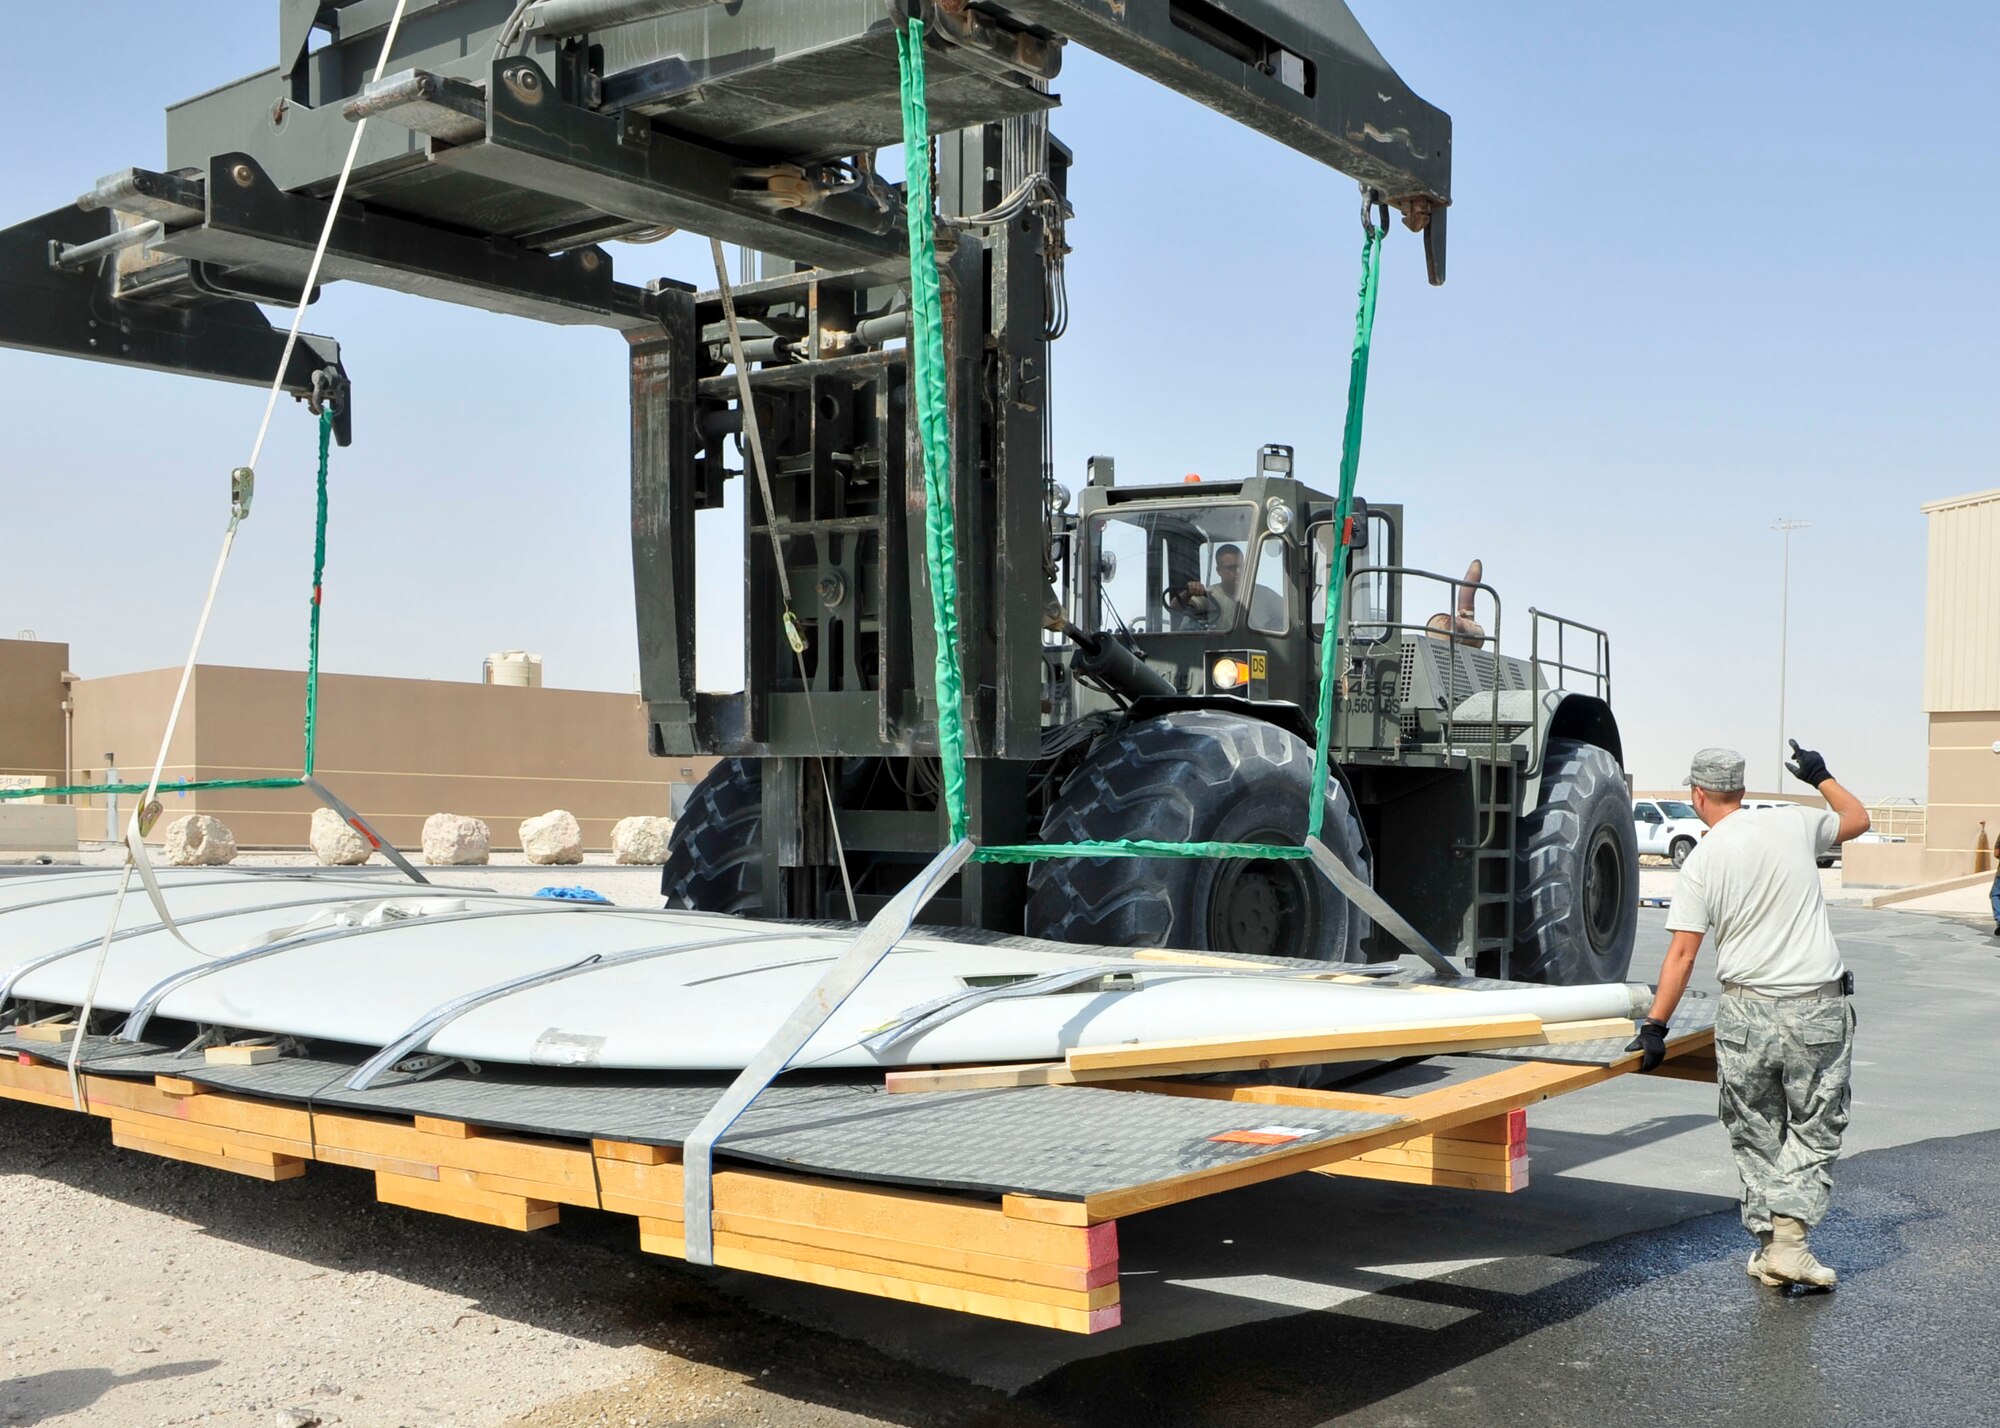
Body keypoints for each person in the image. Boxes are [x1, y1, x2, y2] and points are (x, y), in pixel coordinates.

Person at [1626, 741, 1871, 1290]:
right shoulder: (1791, 822)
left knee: (1755, 1130)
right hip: (1815, 1009)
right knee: (1815, 1126)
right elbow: (1857, 818)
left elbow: (1682, 954)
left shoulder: (1702, 859)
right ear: (1740, 788)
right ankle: (1785, 1246)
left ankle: (1773, 1247)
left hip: (1745, 1014)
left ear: (1697, 795)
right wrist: (1820, 775)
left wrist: (1656, 1027)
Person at [1170, 543, 1283, 630]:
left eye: (1240, 567)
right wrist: (1188, 592)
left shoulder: (1264, 594)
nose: (1238, 572)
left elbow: (1289, 615)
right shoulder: (1211, 595)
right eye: (1231, 568)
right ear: (1218, 570)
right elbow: (1175, 607)